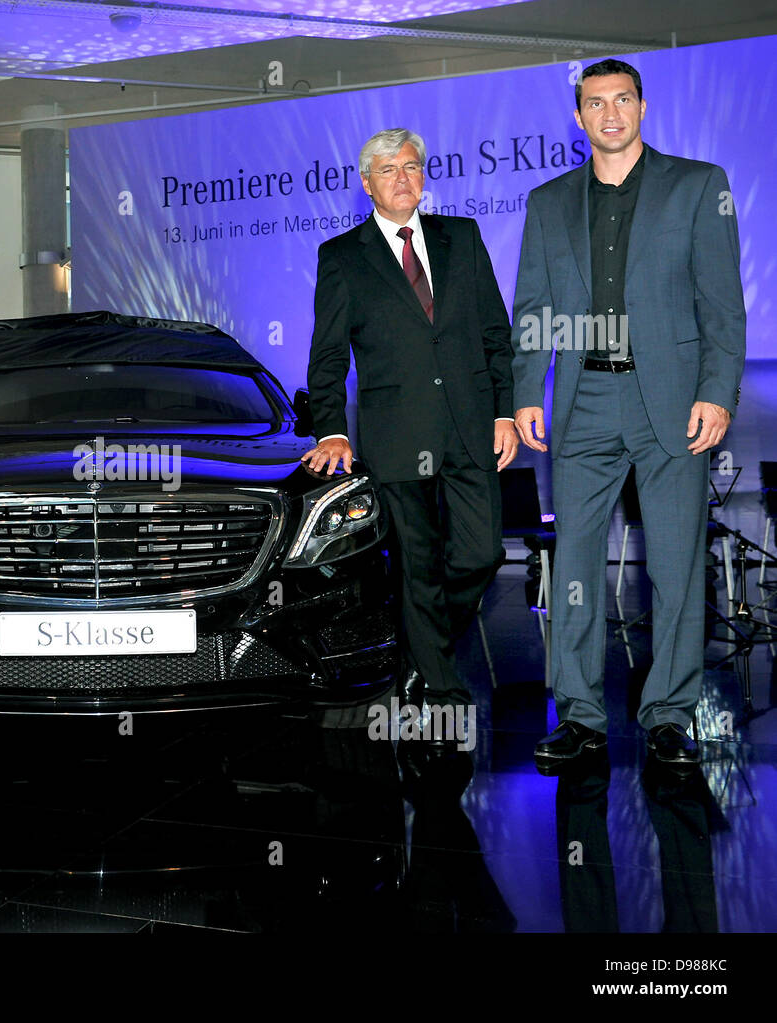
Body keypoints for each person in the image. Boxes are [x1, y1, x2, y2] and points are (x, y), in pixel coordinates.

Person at [512, 59, 746, 768]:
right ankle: (579, 715)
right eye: (594, 103)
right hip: (583, 404)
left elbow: (722, 305)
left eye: (621, 100)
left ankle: (669, 715)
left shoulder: (699, 186)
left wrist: (718, 391)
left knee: (675, 570)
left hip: (673, 404)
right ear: (579, 117)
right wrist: (527, 389)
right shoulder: (548, 201)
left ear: (642, 108)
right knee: (575, 565)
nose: (609, 113)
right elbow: (533, 308)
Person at [302, 128, 517, 733]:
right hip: (396, 434)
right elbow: (327, 357)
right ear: (367, 182)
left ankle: (422, 645)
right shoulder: (342, 256)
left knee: (481, 553)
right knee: (418, 564)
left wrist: (504, 410)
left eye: (413, 167)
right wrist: (331, 430)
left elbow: (495, 334)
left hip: (473, 426)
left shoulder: (463, 238)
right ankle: (441, 685)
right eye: (389, 170)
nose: (403, 178)